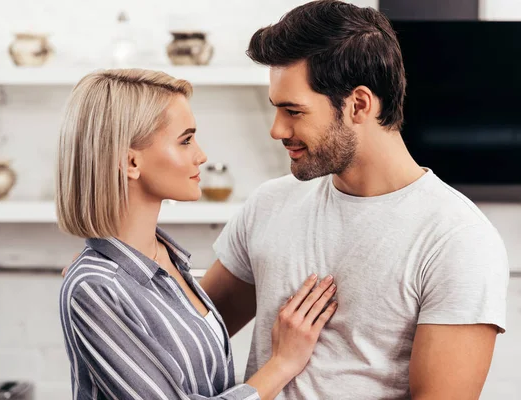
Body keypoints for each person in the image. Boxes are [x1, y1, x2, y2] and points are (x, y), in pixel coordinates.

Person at [200, 1, 509, 399]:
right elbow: (189, 336)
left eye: (293, 111)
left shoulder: (457, 239)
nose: (277, 130)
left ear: (359, 104)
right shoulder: (269, 204)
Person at [56, 69, 338, 400]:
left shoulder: (167, 259)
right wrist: (282, 364)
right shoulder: (94, 285)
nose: (200, 155)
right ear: (131, 163)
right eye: (185, 140)